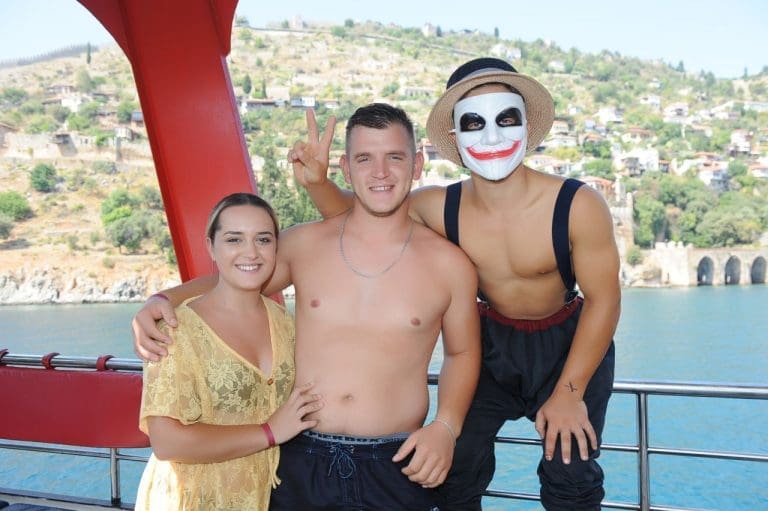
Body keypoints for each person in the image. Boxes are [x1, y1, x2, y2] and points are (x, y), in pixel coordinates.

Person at [291, 58, 620, 510]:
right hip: (490, 344)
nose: (492, 136)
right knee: (454, 468)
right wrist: (317, 183)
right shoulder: (439, 206)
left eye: (506, 119)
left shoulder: (576, 204)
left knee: (571, 470)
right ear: (457, 137)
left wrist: (570, 392)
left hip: (568, 342)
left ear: (526, 125)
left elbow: (604, 300)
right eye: (474, 123)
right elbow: (361, 213)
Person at [132, 103, 482, 510]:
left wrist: (446, 427)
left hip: (397, 460)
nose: (380, 172)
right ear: (345, 169)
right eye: (364, 159)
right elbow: (235, 280)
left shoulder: (450, 265)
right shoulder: (304, 244)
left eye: (395, 157)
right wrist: (164, 299)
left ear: (417, 164)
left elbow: (462, 352)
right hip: (299, 455)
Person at [134, 193, 323, 510]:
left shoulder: (286, 325)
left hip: (262, 497)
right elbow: (166, 441)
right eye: (234, 239)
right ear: (211, 247)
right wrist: (268, 432)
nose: (251, 252)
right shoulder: (177, 329)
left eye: (263, 239)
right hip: (192, 498)